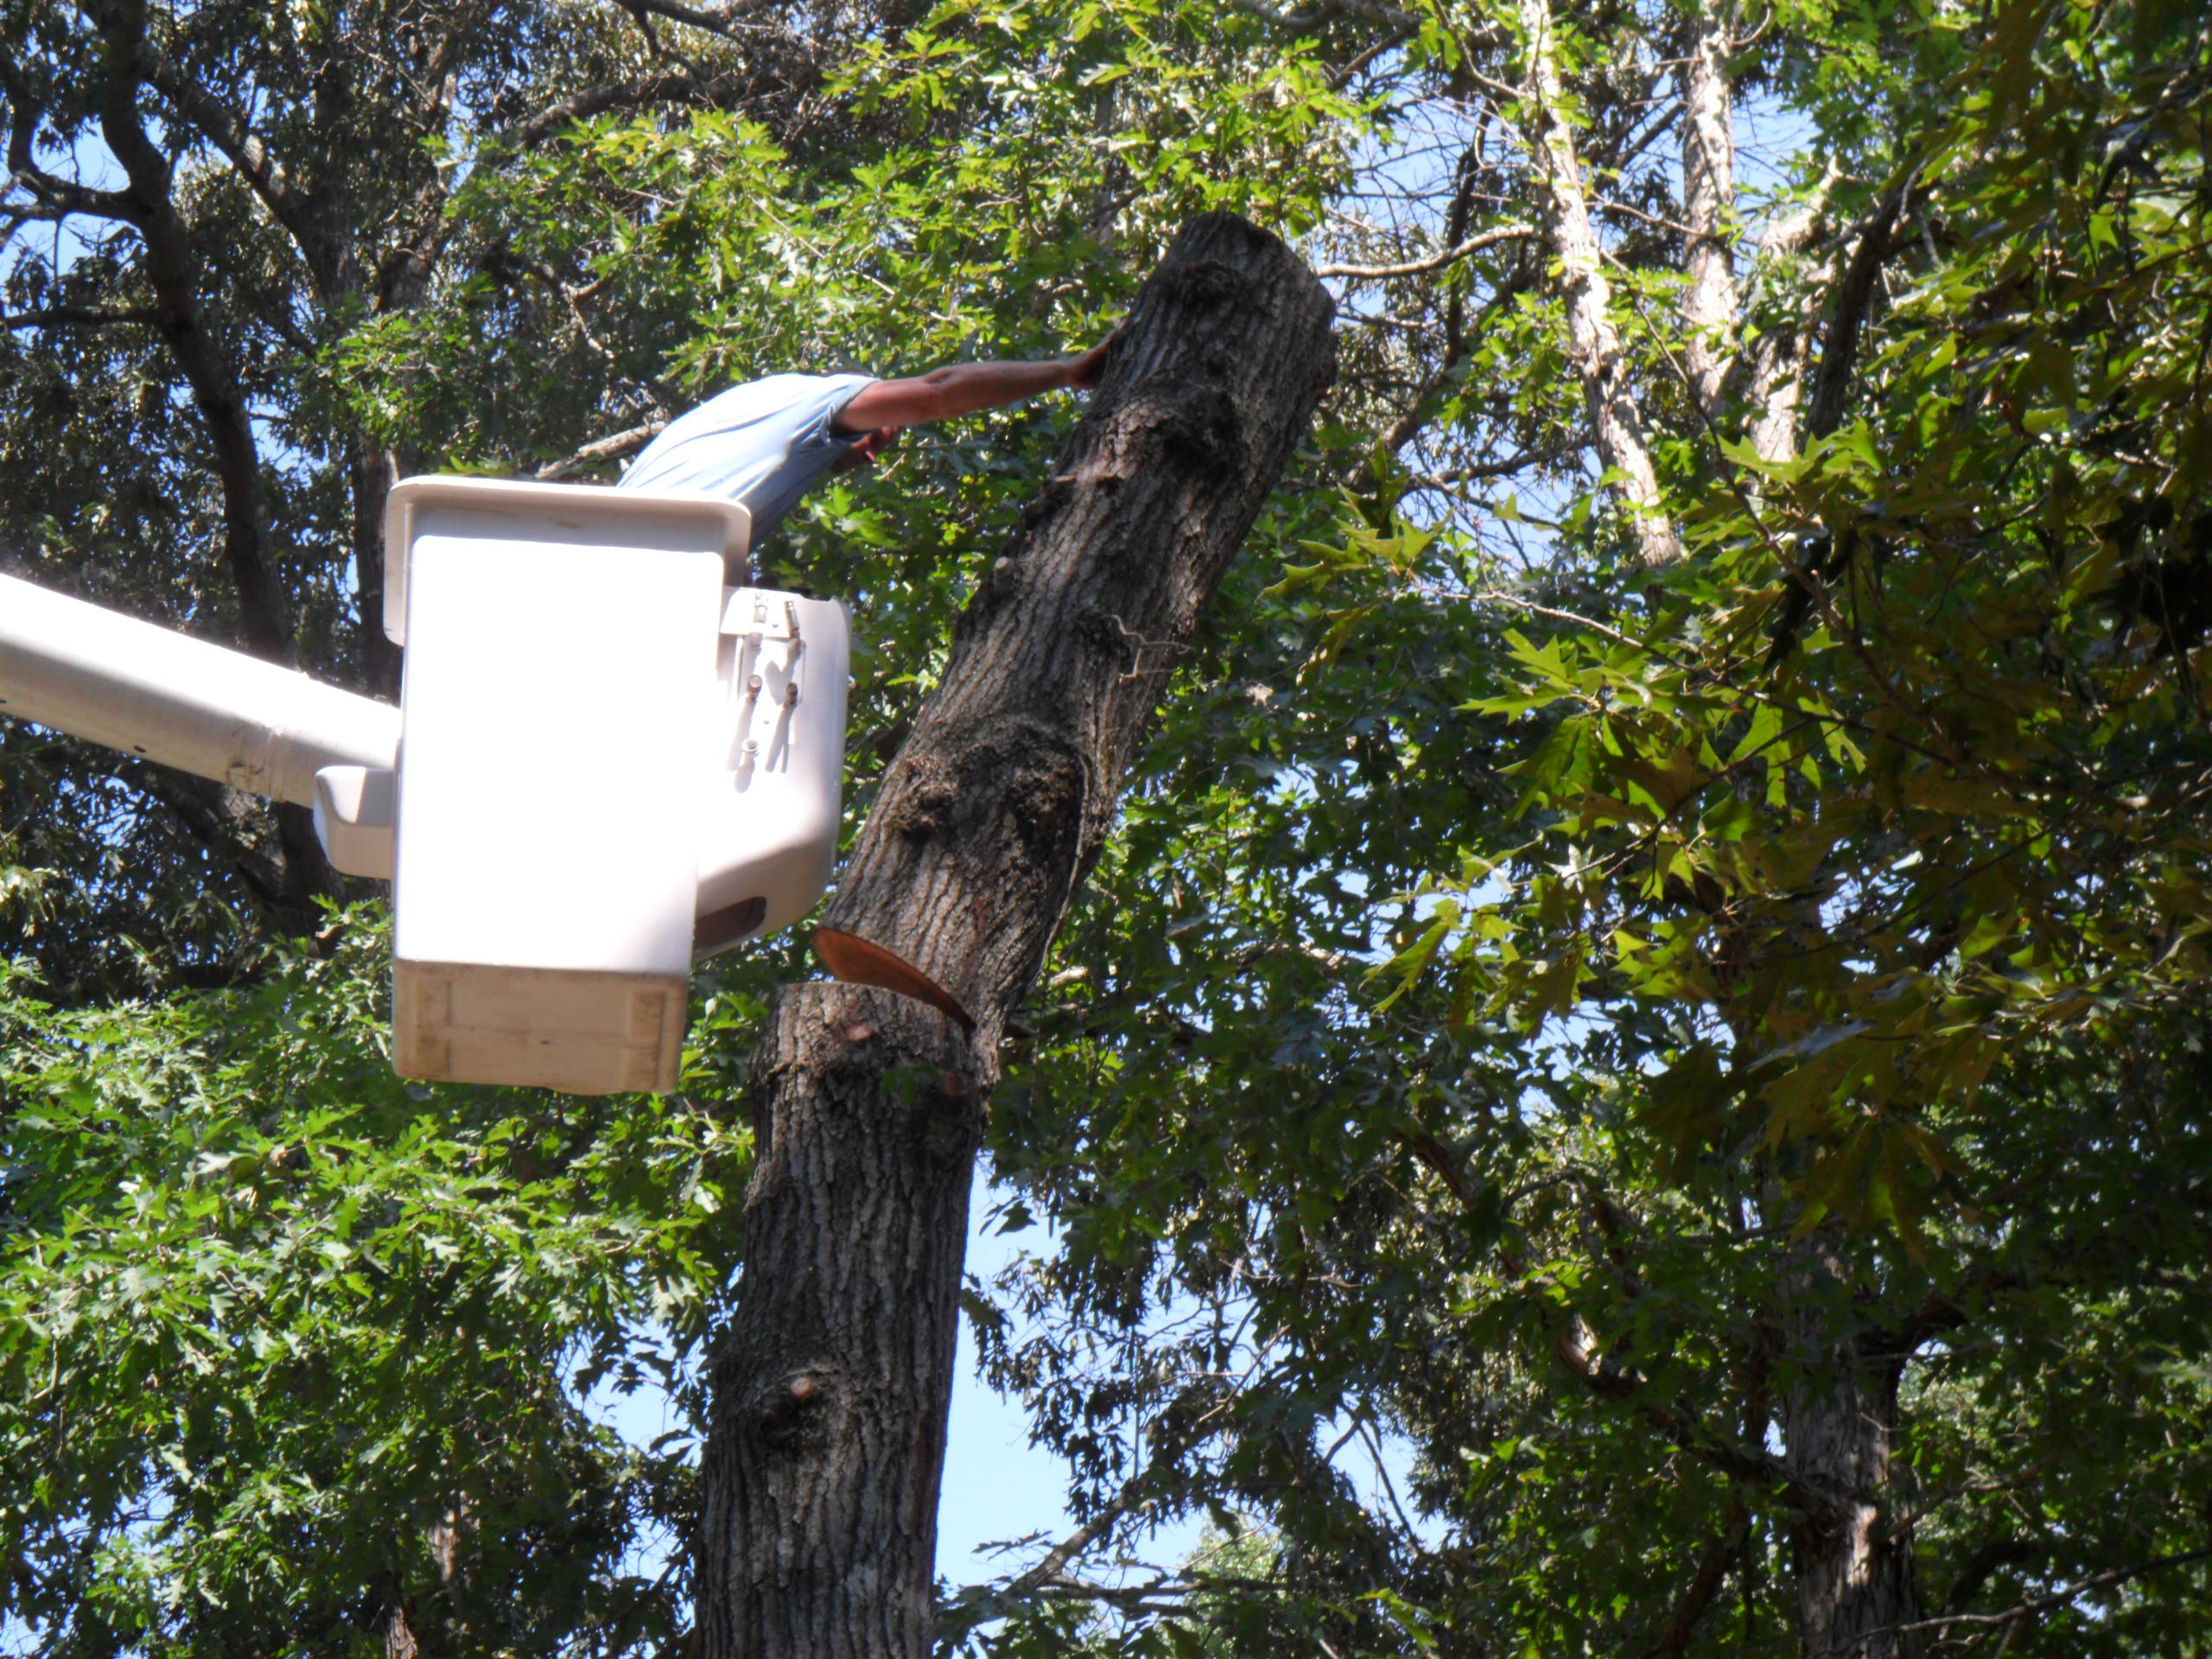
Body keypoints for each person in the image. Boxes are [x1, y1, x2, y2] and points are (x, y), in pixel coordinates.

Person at [618, 336, 1116, 546]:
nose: (873, 456)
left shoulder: (748, 408)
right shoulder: (821, 400)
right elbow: (936, 393)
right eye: (873, 434)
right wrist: (1065, 372)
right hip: (652, 557)